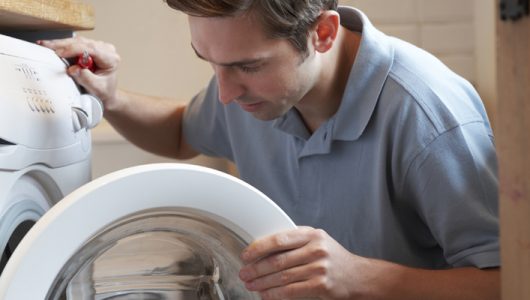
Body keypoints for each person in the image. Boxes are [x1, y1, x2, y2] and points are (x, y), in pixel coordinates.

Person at [40, 1, 500, 299]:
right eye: (211, 63)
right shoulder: (254, 90)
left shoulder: (428, 115)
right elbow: (183, 133)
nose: (224, 93)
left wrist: (361, 277)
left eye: (246, 65)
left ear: (322, 33)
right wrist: (111, 98)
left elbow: (508, 282)